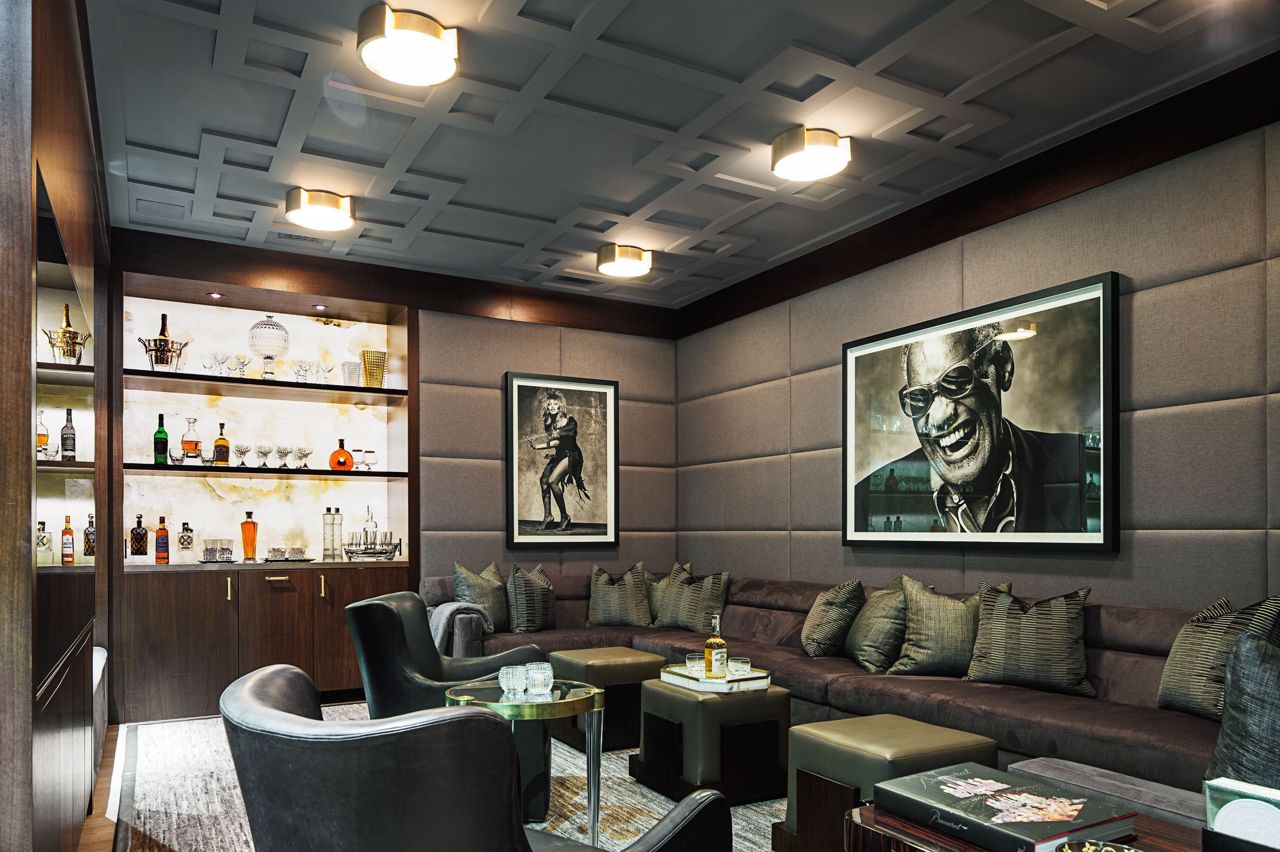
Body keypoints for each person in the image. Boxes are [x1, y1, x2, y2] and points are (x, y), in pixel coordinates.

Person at [854, 322, 1089, 534]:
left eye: (956, 381)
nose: (940, 416)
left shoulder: (1078, 462)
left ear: (1003, 366)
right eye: (919, 398)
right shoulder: (863, 503)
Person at [527, 391, 590, 531]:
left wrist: (542, 444)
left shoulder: (569, 421)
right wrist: (537, 447)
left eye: (555, 404)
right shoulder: (549, 424)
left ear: (560, 406)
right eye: (550, 404)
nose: (552, 406)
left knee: (552, 481)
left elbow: (564, 438)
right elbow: (555, 443)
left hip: (572, 455)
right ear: (547, 407)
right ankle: (548, 516)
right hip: (560, 456)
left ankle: (564, 517)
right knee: (544, 480)